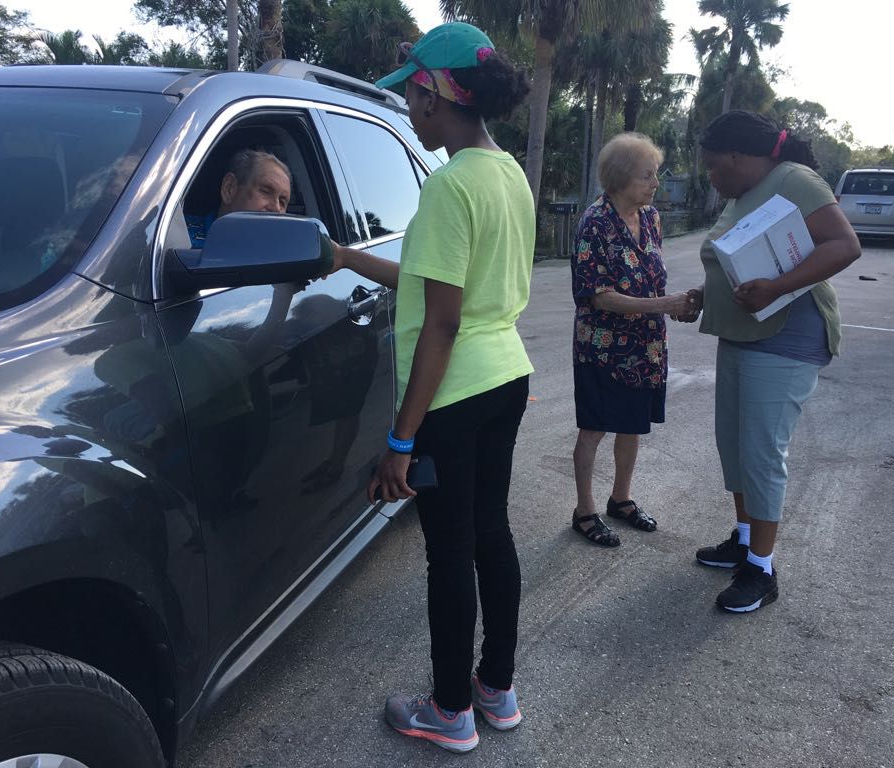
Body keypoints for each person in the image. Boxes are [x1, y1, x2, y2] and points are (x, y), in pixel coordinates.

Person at [325, 22, 533, 753]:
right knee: (491, 534)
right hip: (506, 376)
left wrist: (401, 441)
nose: (410, 111)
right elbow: (431, 281)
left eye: (412, 96)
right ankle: (495, 688)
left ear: (435, 94)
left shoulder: (448, 186)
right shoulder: (507, 175)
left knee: (449, 552)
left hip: (454, 396)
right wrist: (346, 256)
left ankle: (449, 711)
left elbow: (441, 323)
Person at [691, 110, 861, 613]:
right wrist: (706, 293)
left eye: (714, 165)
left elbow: (844, 245)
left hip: (785, 338)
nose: (710, 175)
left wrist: (778, 287)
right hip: (741, 335)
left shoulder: (794, 180)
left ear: (739, 156)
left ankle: (761, 570)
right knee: (735, 446)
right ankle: (745, 540)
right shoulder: (742, 193)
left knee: (762, 453)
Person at [569, 133, 700, 548]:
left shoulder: (651, 218)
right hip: (603, 347)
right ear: (621, 177)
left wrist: (674, 306)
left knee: (632, 425)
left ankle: (620, 499)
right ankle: (584, 511)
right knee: (593, 429)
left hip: (646, 346)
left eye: (655, 175)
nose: (655, 183)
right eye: (647, 176)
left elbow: (651, 277)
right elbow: (598, 295)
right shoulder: (595, 223)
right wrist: (663, 304)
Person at [185, 148, 292, 247]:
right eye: (266, 191)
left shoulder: (285, 253)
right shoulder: (181, 238)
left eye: (282, 202)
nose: (276, 208)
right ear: (229, 188)